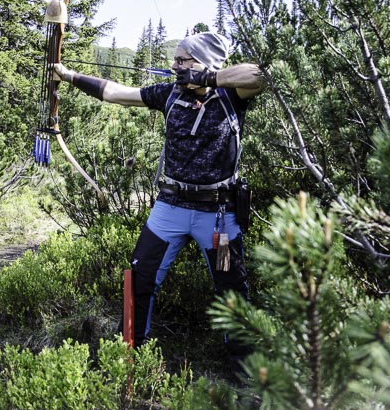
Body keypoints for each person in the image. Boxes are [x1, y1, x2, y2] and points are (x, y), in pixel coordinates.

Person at [53, 31, 266, 347]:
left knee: (230, 287)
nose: (175, 66)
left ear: (202, 63)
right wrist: (69, 76)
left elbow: (259, 75)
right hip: (170, 210)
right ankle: (131, 353)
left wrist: (208, 77)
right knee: (140, 279)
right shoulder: (170, 94)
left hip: (217, 219)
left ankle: (243, 367)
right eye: (176, 60)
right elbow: (115, 93)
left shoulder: (232, 96)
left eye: (182, 60)